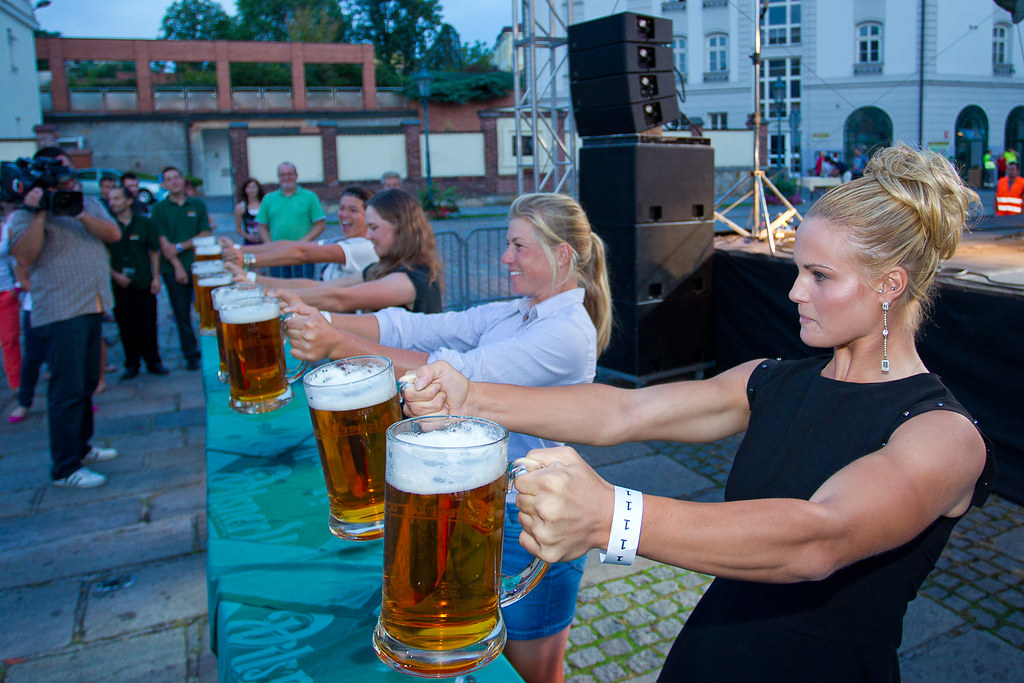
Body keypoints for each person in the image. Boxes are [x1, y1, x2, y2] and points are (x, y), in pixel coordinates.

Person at [402, 145, 993, 682]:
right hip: (707, 656)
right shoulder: (772, 380)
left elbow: (820, 538)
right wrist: (472, 398)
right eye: (797, 271)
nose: (795, 292)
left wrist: (610, 516)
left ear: (890, 284)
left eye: (819, 276)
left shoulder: (945, 437)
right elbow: (624, 412)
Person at [281, 192, 613, 683]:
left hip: (529, 522)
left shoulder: (565, 332)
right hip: (486, 510)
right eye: (508, 244)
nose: (505, 257)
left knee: (534, 672)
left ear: (561, 254)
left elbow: (455, 374)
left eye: (518, 246)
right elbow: (416, 328)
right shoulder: (521, 311)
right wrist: (325, 322)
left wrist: (336, 344)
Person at [7, 147, 123, 488]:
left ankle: (81, 447)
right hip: (60, 312)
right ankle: (65, 468)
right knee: (66, 390)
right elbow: (24, 256)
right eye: (60, 175)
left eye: (69, 171)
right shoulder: (25, 214)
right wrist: (40, 212)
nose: (68, 179)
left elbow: (113, 235)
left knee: (85, 385)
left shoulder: (87, 203)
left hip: (91, 306)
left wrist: (78, 212)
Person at [270, 188, 442, 314]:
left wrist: (274, 299)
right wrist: (261, 286)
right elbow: (322, 287)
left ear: (401, 228)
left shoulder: (411, 278)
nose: (368, 236)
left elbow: (339, 298)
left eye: (374, 228)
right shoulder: (384, 267)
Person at [223, 185, 377, 290]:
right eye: (341, 208)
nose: (344, 214)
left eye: (353, 210)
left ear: (369, 215)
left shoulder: (365, 247)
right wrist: (237, 249)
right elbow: (290, 246)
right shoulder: (341, 241)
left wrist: (247, 262)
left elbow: (302, 254)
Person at [150, 166, 212, 371]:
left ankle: (211, 349)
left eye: (176, 177)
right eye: (168, 179)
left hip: (201, 266)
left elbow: (205, 233)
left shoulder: (197, 204)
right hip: (173, 269)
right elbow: (164, 244)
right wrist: (178, 267)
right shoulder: (159, 209)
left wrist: (181, 246)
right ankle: (191, 354)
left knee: (207, 310)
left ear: (182, 180)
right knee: (182, 314)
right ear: (164, 184)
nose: (174, 182)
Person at [106, 186, 168, 379]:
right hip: (119, 284)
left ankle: (153, 361)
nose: (112, 202)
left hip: (142, 280)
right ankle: (131, 363)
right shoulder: (107, 225)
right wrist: (115, 275)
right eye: (110, 199)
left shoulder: (144, 223)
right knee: (125, 324)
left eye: (117, 198)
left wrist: (156, 276)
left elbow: (153, 251)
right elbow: (101, 255)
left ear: (129, 200)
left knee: (148, 322)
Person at [255, 162, 326, 279]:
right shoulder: (268, 199)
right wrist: (269, 244)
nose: (286, 177)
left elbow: (320, 225)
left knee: (304, 285)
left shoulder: (309, 197)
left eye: (290, 174)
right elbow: (261, 225)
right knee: (279, 285)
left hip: (303, 252)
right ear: (278, 177)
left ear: (296, 176)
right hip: (277, 253)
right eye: (282, 175)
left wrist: (302, 243)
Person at [1, 209, 21, 397]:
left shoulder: (6, 228)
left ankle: (16, 382)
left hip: (5, 293)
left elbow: (18, 258)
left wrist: (17, 288)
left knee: (10, 340)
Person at [234, 177, 265, 245]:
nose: (251, 190)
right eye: (248, 187)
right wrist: (248, 236)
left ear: (258, 188)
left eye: (253, 187)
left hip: (265, 241)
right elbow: (238, 228)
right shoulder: (240, 207)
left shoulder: (265, 204)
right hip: (250, 242)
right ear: (245, 190)